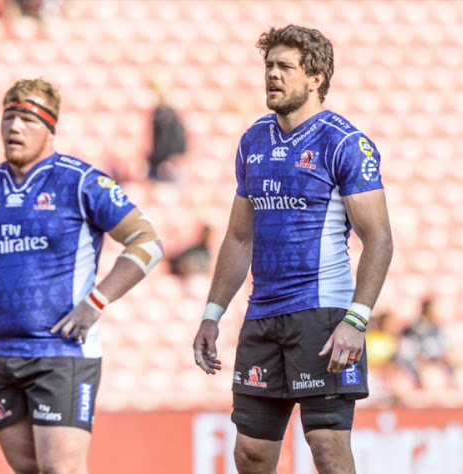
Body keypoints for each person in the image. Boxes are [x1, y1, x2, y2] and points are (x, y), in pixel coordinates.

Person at [0, 78, 163, 474]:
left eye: (27, 118)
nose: (14, 127)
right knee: (29, 469)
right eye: (8, 116)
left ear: (50, 127)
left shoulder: (80, 181)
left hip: (62, 354)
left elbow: (146, 242)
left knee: (61, 470)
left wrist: (96, 303)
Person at [192, 25, 393, 474]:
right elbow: (239, 237)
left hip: (322, 317)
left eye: (285, 66)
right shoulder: (253, 141)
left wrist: (356, 320)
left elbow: (379, 238)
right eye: (268, 66)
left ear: (316, 77)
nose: (272, 75)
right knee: (250, 454)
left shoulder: (344, 143)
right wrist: (212, 313)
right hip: (262, 315)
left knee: (327, 451)